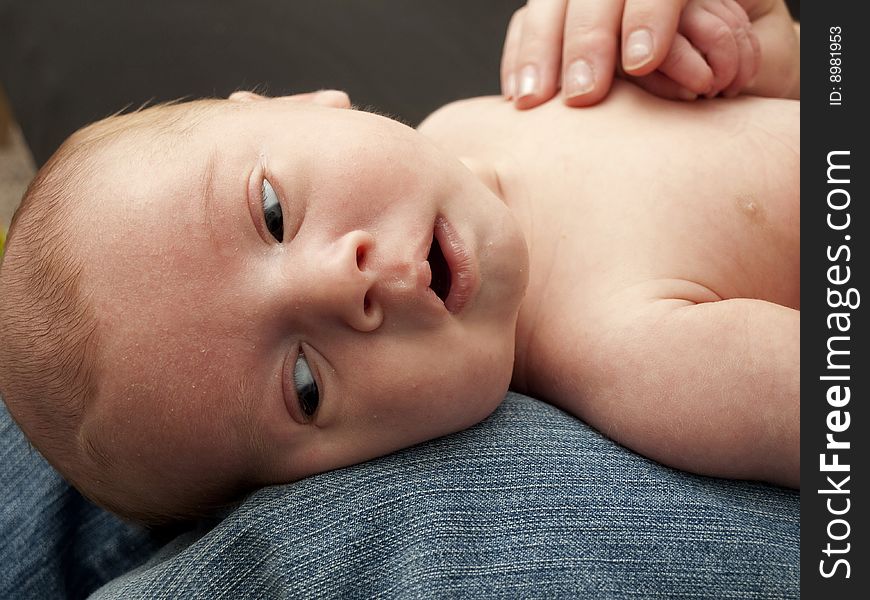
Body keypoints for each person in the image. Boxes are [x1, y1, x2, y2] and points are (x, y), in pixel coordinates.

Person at [0, 0, 799, 524]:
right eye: (305, 385)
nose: (338, 282)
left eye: (272, 213)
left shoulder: (497, 101)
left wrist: (742, 42)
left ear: (298, 103)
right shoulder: (635, 356)